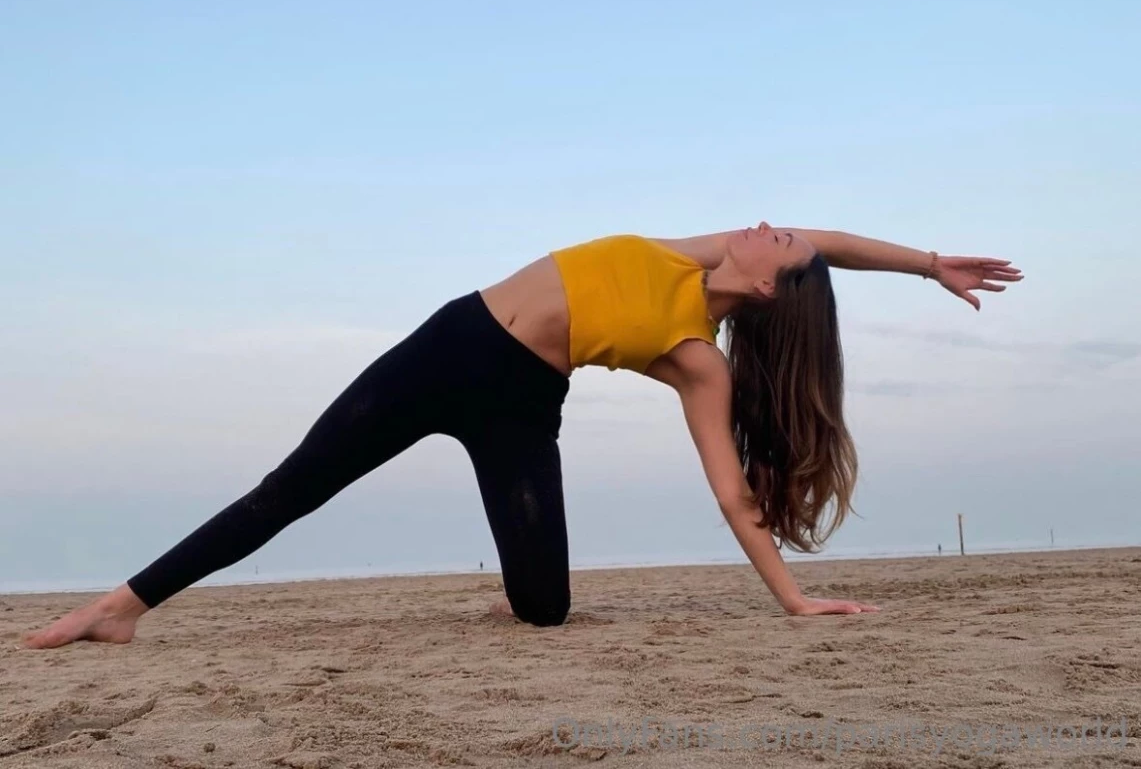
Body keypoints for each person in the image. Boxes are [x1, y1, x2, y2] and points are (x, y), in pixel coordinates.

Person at [21, 222, 1021, 648]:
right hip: (447, 348)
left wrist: (794, 599)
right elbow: (832, 242)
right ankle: (121, 605)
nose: (767, 222)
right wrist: (927, 263)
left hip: (520, 405)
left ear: (767, 285)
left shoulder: (697, 356)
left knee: (544, 611)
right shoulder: (700, 249)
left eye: (779, 240)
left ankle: (519, 589)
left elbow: (727, 490)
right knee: (294, 487)